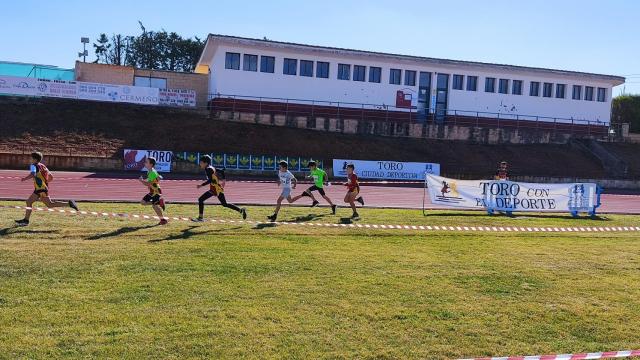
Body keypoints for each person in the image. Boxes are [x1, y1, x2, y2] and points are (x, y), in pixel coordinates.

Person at [15, 152, 79, 226]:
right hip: (41, 188)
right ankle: (25, 220)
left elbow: (33, 174)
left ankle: (69, 204)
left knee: (48, 204)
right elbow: (51, 177)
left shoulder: (33, 166)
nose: (31, 160)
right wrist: (45, 182)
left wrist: (24, 179)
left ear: (35, 159)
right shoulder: (43, 166)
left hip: (40, 188)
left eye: (31, 158)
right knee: (30, 202)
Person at [192, 155, 247, 221]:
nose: (199, 164)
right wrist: (224, 180)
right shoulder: (211, 167)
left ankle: (200, 218)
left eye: (201, 162)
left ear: (205, 163)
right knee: (224, 204)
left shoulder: (208, 169)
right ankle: (241, 210)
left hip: (215, 189)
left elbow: (211, 180)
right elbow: (221, 171)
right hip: (216, 188)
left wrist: (201, 185)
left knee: (201, 199)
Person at [138, 157, 168, 225]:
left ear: (151, 164)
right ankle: (159, 203)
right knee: (143, 202)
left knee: (154, 206)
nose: (144, 163)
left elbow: (148, 183)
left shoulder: (152, 172)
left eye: (146, 162)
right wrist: (159, 177)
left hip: (156, 192)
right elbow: (157, 177)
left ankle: (162, 220)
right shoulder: (150, 171)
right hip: (152, 191)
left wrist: (141, 181)